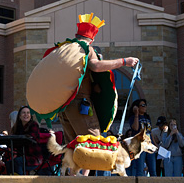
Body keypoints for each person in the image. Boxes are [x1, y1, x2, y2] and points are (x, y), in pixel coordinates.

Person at [58, 14, 139, 176]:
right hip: (81, 105)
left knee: (74, 146)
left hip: (64, 106)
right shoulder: (86, 49)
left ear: (77, 36)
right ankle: (82, 179)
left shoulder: (66, 50)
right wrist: (125, 61)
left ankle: (72, 178)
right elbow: (95, 66)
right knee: (93, 143)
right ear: (91, 40)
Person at [6, 106, 43, 175]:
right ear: (19, 116)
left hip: (33, 158)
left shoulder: (34, 125)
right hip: (22, 156)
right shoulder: (17, 127)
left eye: (28, 113)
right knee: (9, 163)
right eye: (23, 113)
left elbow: (30, 139)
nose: (26, 114)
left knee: (17, 162)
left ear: (30, 116)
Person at [128, 99, 156, 176]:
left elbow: (150, 131)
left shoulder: (147, 117)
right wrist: (136, 114)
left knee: (153, 170)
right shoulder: (133, 117)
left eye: (145, 105)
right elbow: (136, 128)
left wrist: (155, 143)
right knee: (140, 169)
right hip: (140, 145)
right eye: (142, 105)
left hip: (149, 143)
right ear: (137, 107)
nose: (145, 107)